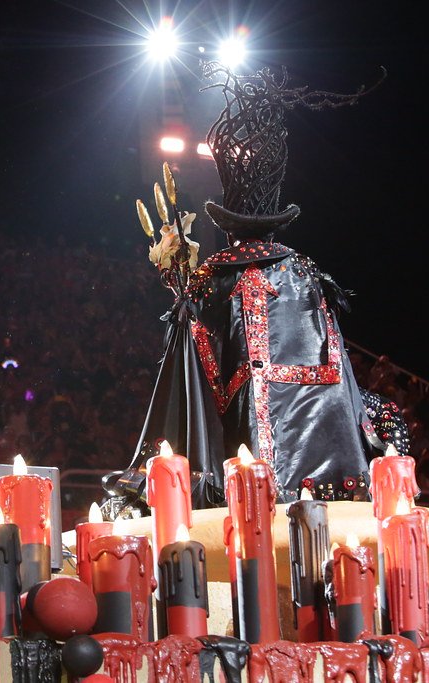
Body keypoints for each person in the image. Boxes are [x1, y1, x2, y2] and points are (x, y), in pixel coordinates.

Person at [124, 62, 395, 506]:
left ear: (229, 227)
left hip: (242, 467)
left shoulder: (211, 279)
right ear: (274, 228)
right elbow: (340, 373)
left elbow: (191, 382)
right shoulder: (307, 274)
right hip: (327, 472)